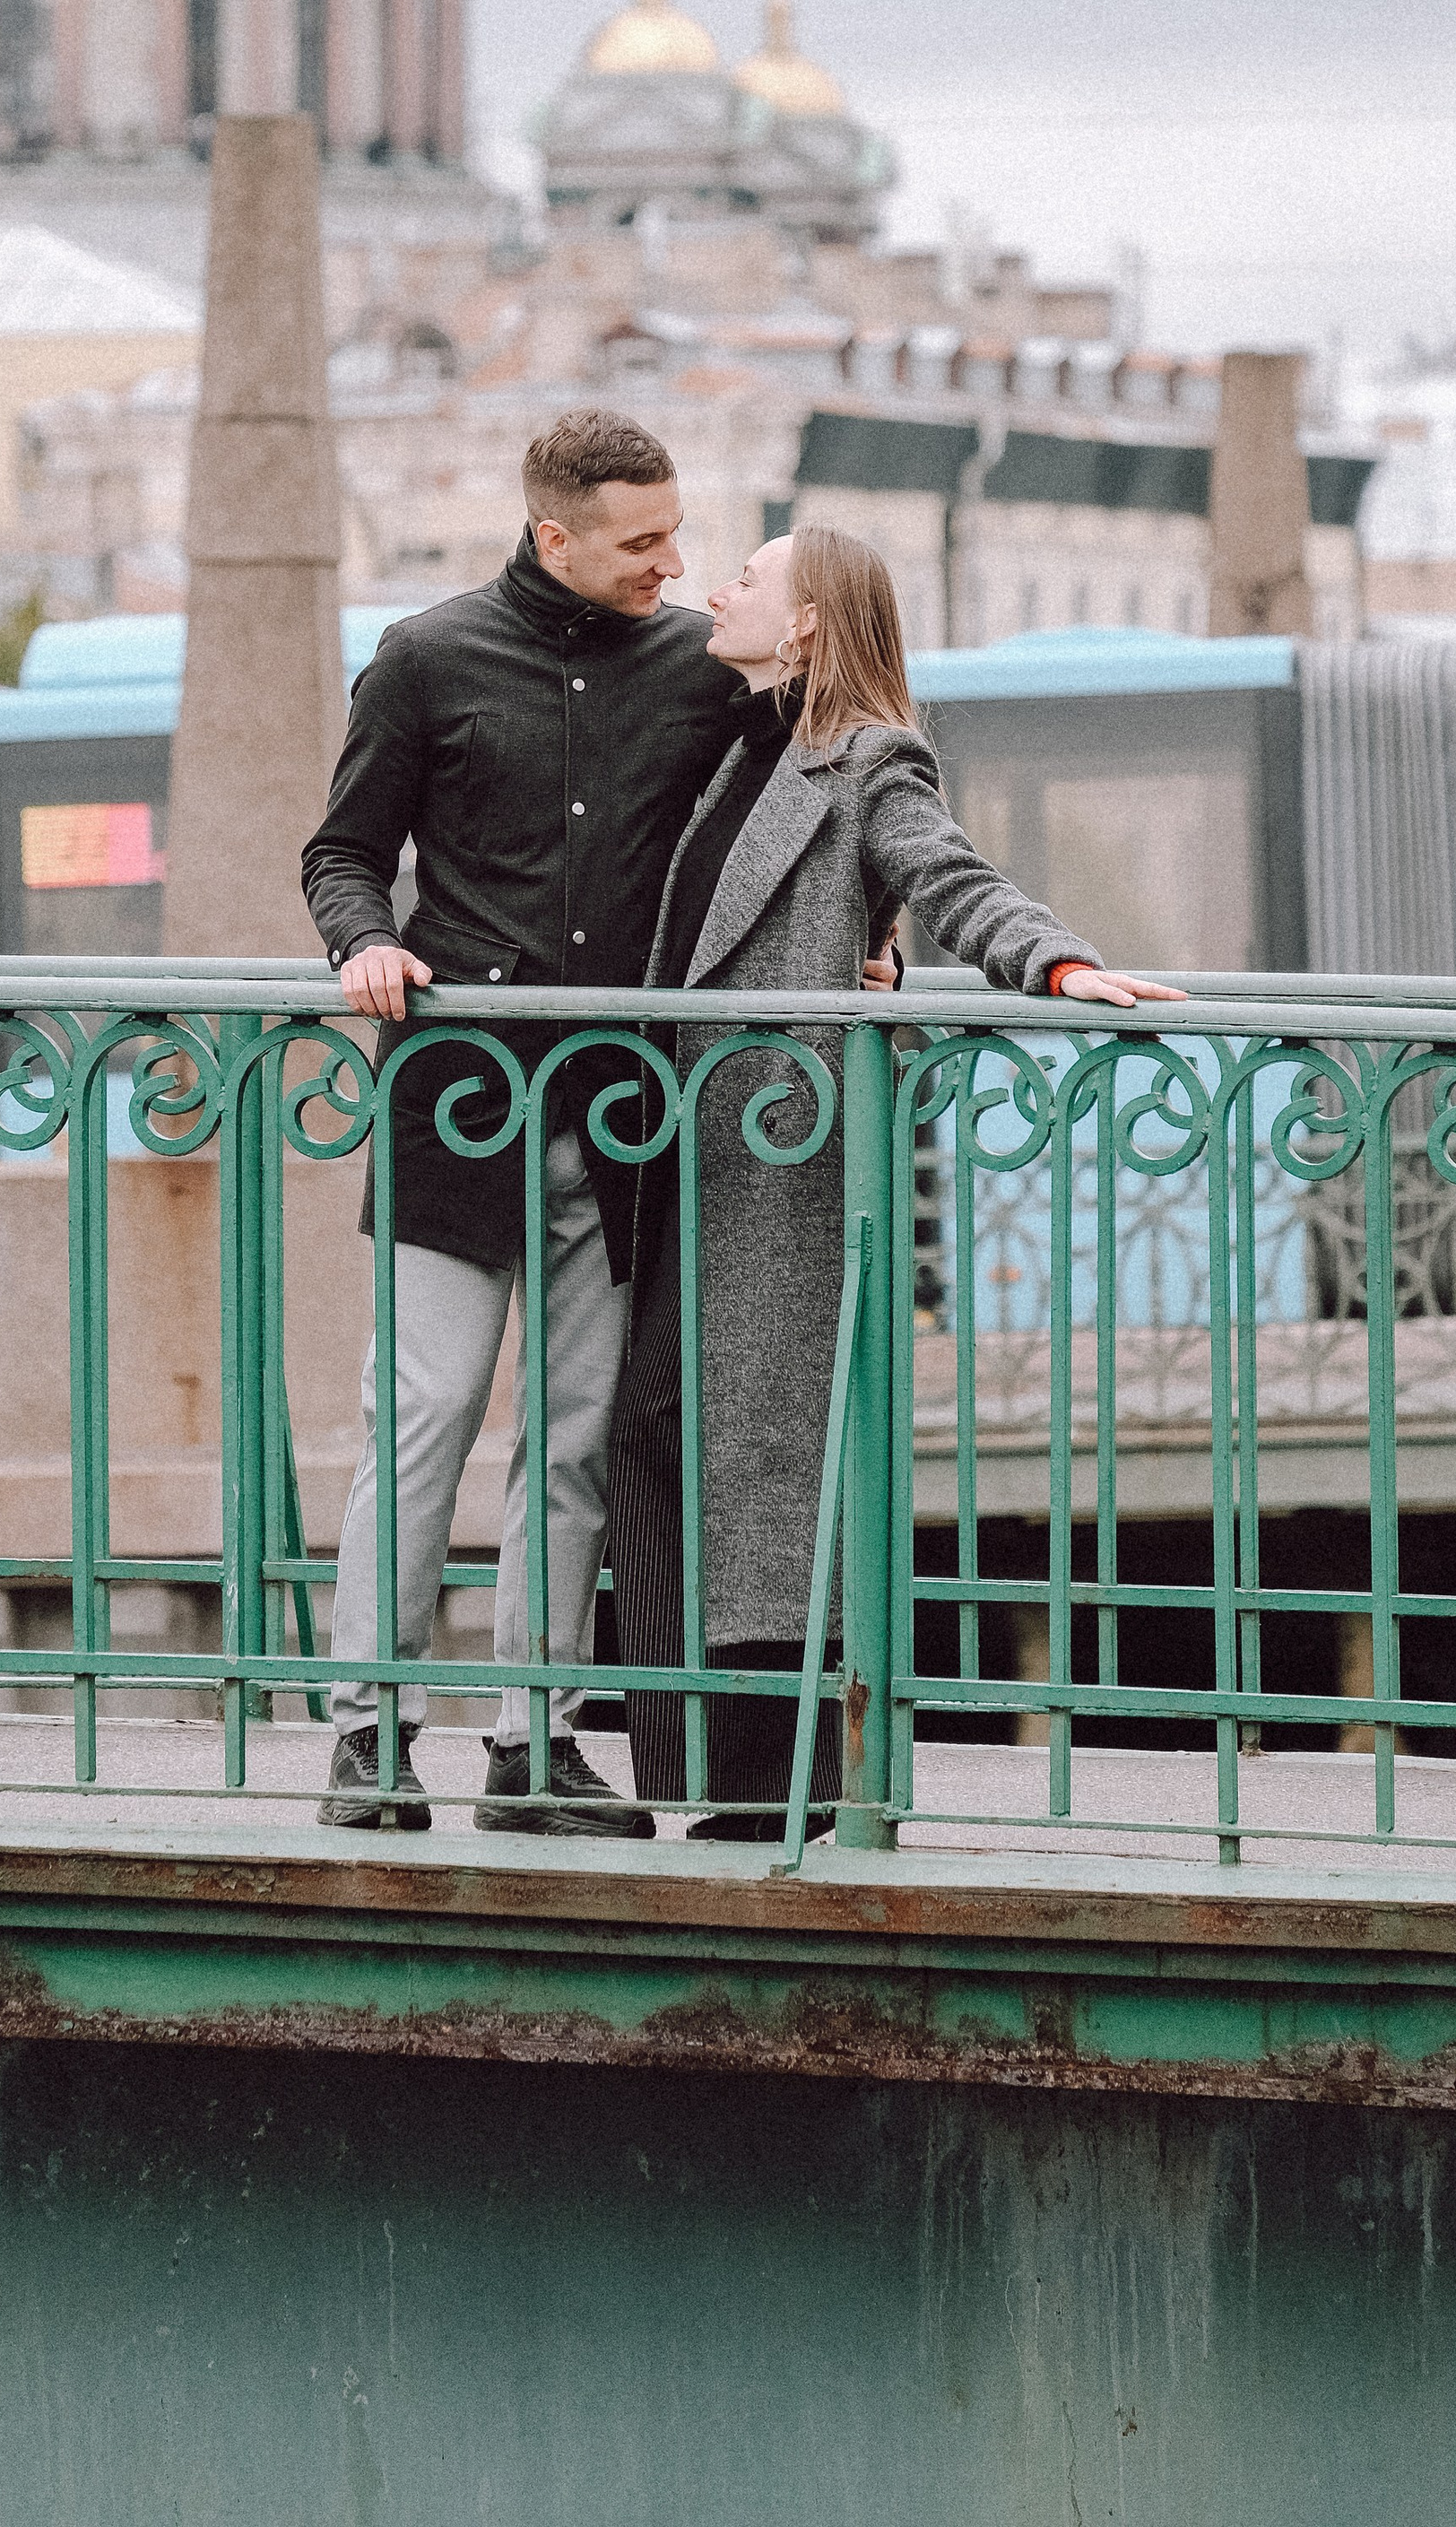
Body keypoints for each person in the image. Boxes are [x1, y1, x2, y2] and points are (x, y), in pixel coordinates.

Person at [608, 522, 1184, 1839]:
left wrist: (1055, 963)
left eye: (748, 577)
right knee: (660, 1440)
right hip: (690, 1161)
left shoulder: (866, 757)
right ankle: (711, 1767)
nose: (718, 587)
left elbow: (948, 875)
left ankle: (779, 1787)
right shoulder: (738, 756)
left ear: (808, 621)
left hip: (778, 1164)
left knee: (760, 1463)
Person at [299, 408, 746, 1834]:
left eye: (676, 533)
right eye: (642, 541)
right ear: (555, 534)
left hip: (620, 1116)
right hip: (456, 1106)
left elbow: (798, 818)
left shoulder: (700, 671)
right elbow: (344, 852)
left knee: (570, 1442)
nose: (670, 564)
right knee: (417, 1419)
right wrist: (362, 944)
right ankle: (369, 1735)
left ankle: (534, 1749)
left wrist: (875, 931)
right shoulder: (426, 658)